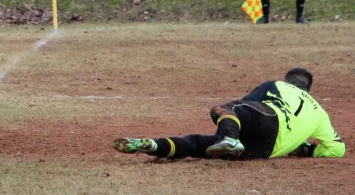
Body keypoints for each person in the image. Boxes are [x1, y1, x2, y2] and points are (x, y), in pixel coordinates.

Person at [112, 68, 345, 160]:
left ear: (289, 81)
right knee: (198, 145)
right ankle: (154, 146)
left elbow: (247, 104)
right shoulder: (321, 113)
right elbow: (337, 149)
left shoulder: (278, 85)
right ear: (309, 88)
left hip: (268, 119)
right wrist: (304, 148)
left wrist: (232, 126)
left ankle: (230, 138)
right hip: (264, 150)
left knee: (226, 109)